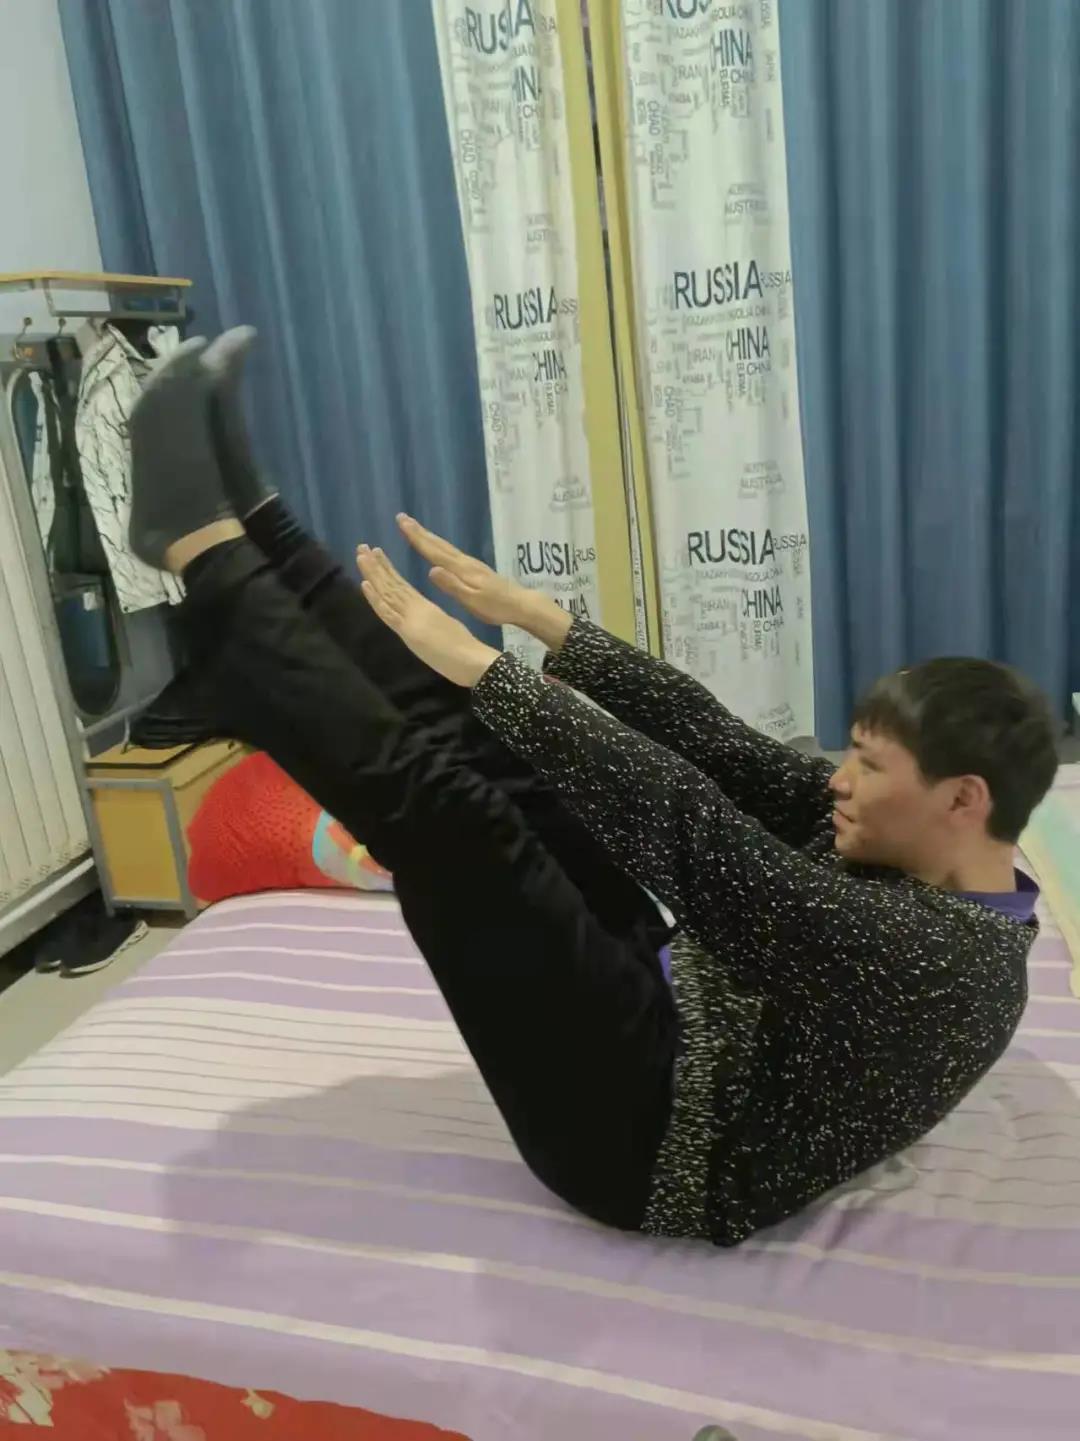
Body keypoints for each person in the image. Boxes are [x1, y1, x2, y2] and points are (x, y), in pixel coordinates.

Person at [129, 328, 1058, 1247]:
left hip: (646, 1141)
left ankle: (204, 557)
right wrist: (542, 623)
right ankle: (258, 523)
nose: (838, 780)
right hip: (668, 1000)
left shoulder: (949, 962)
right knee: (504, 761)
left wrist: (490, 670)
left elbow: (705, 842)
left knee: (461, 828)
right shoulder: (908, 842)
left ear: (963, 799)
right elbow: (716, 742)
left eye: (869, 766)